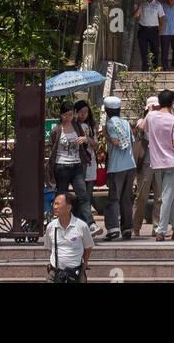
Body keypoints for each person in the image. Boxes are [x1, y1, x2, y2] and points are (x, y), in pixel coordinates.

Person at [141, 89, 174, 241]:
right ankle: (161, 230)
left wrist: (149, 111)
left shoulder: (151, 116)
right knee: (167, 196)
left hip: (155, 162)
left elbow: (143, 127)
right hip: (169, 162)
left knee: (171, 195)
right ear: (172, 102)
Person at [47, 101, 92, 224]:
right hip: (61, 167)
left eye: (71, 115)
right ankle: (60, 222)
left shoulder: (77, 127)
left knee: (82, 195)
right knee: (62, 196)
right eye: (65, 115)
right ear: (61, 115)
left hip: (77, 165)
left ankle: (90, 223)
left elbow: (86, 142)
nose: (68, 117)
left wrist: (85, 139)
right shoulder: (56, 130)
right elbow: (52, 148)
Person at [102, 96, 135, 240]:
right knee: (126, 198)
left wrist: (105, 136)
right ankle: (127, 228)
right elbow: (131, 141)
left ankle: (113, 229)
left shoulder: (110, 124)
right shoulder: (126, 123)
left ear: (108, 111)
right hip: (130, 164)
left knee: (113, 198)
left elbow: (116, 141)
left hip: (117, 166)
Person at [45, 192, 92, 283]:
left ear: (68, 207)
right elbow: (50, 248)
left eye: (58, 204)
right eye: (54, 203)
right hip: (55, 273)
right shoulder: (51, 227)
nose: (55, 207)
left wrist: (84, 264)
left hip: (76, 274)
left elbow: (88, 247)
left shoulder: (81, 226)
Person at [131, 96, 159, 237]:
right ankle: (135, 226)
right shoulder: (142, 121)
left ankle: (157, 226)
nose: (156, 109)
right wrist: (150, 112)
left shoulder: (162, 119)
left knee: (159, 197)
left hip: (159, 163)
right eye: (154, 107)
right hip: (146, 163)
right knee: (141, 196)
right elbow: (142, 128)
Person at [74, 101, 99, 232]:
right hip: (78, 165)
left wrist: (87, 139)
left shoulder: (90, 127)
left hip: (90, 163)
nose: (83, 114)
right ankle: (87, 223)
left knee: (87, 195)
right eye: (81, 112)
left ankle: (85, 224)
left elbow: (96, 145)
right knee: (81, 195)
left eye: (86, 112)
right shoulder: (72, 126)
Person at [134, 0, 165, 70]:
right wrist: (138, 8)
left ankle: (155, 67)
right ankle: (144, 68)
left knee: (155, 50)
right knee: (143, 50)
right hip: (143, 29)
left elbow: (162, 17)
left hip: (154, 30)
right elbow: (135, 16)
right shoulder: (142, 4)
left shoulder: (158, 4)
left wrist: (160, 30)